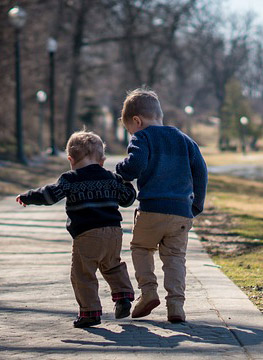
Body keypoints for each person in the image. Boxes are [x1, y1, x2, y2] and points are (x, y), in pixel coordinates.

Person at [16, 130, 136, 328]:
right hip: (114, 233)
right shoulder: (110, 177)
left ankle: (90, 312)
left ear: (70, 159)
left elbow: (49, 195)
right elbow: (127, 199)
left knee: (83, 273)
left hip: (87, 234)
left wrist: (29, 197)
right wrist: (128, 184)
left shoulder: (70, 179)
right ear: (102, 160)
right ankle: (123, 297)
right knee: (113, 265)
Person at [116, 88, 208, 323]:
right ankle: (176, 306)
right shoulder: (184, 139)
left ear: (137, 121)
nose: (131, 134)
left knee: (141, 248)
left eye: (130, 130)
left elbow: (134, 166)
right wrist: (196, 205)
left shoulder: (142, 137)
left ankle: (148, 292)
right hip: (180, 212)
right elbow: (201, 172)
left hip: (152, 209)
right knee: (175, 257)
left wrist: (121, 170)